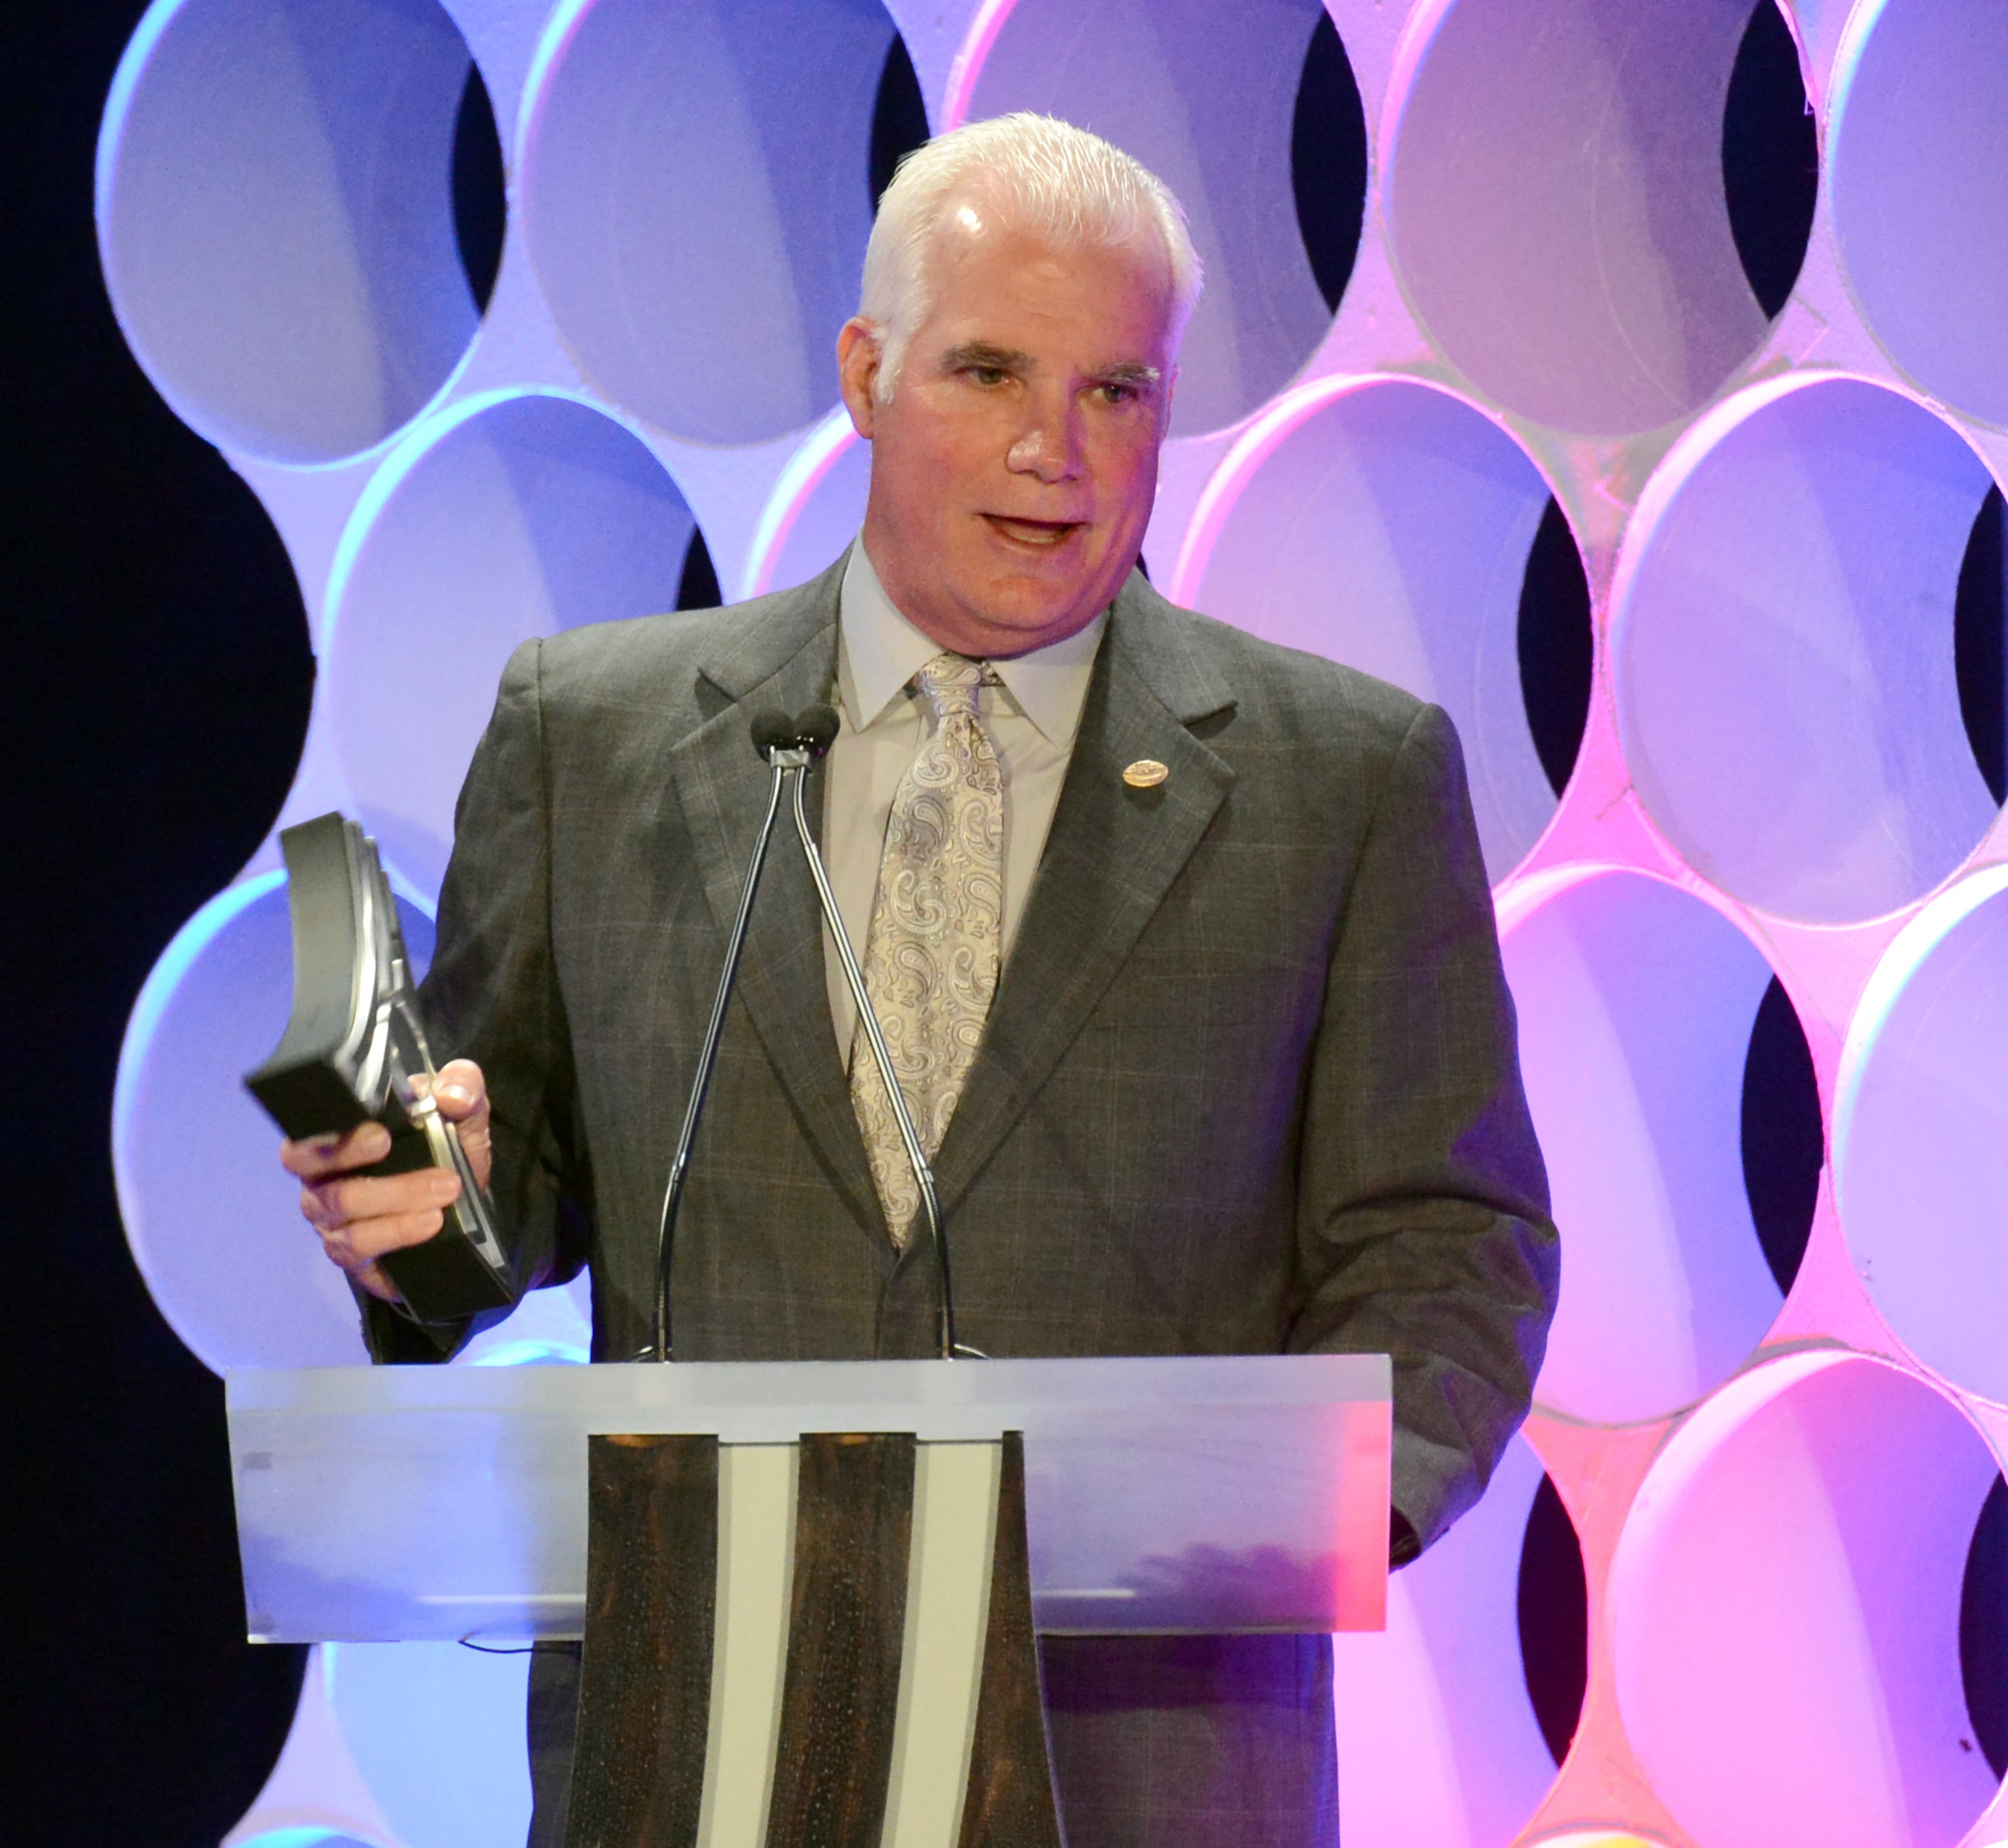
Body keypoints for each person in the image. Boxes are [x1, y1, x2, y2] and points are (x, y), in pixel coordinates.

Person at [284, 111, 1556, 1848]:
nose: (1057, 450)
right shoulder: (599, 737)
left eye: (1118, 391)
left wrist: (1308, 1503)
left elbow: (1450, 1247)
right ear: (868, 374)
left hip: (1141, 1762)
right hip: (704, 1752)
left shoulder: (1344, 780)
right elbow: (514, 1185)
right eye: (990, 372)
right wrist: (427, 1207)